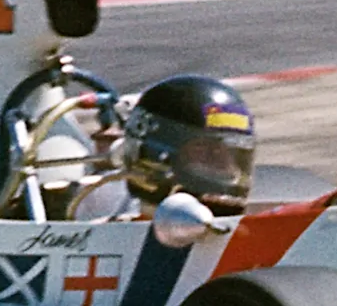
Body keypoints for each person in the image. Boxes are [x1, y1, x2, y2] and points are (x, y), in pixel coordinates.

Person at [69, 73, 259, 218]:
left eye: (231, 153)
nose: (221, 162)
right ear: (157, 154)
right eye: (203, 150)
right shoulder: (104, 202)